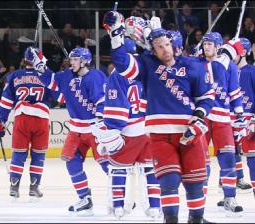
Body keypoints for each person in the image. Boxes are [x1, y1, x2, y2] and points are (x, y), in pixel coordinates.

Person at [102, 11, 218, 223]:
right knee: (169, 180)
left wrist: (199, 117)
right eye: (159, 46)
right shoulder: (147, 65)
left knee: (194, 182)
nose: (165, 49)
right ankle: (170, 219)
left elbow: (207, 97)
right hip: (160, 136)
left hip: (189, 134)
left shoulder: (192, 66)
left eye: (167, 44)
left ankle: (196, 219)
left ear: (174, 45)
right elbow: (121, 63)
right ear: (152, 49)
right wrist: (116, 35)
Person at [92, 38, 161, 219]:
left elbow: (117, 109)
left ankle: (119, 206)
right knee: (150, 169)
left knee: (118, 169)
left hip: (129, 132)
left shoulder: (118, 75)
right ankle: (154, 207)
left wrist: (112, 130)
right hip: (150, 129)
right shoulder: (148, 69)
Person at [38, 47, 109, 216]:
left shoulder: (96, 76)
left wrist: (100, 121)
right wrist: (40, 66)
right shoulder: (67, 75)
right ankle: (85, 198)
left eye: (75, 60)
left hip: (95, 128)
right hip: (76, 129)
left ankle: (121, 194)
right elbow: (52, 81)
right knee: (71, 161)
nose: (71, 63)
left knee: (107, 163)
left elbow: (102, 100)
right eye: (71, 59)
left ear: (84, 61)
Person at [0, 46, 58, 200]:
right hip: (41, 119)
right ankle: (34, 187)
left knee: (19, 153)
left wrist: (0, 121)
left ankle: (14, 187)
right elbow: (57, 96)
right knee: (38, 155)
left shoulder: (14, 76)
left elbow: (5, 103)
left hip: (22, 117)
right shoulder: (46, 76)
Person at [200, 32, 245, 214]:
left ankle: (229, 198)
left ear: (218, 46)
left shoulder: (229, 66)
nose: (206, 47)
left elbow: (234, 93)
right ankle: (199, 200)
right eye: (204, 44)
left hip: (222, 117)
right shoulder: (197, 63)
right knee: (200, 160)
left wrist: (240, 117)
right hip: (202, 116)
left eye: (210, 44)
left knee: (228, 159)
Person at [233, 37, 255, 197]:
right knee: (229, 152)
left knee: (252, 155)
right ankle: (232, 184)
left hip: (249, 119)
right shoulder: (229, 71)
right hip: (231, 118)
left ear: (243, 52)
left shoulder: (252, 72)